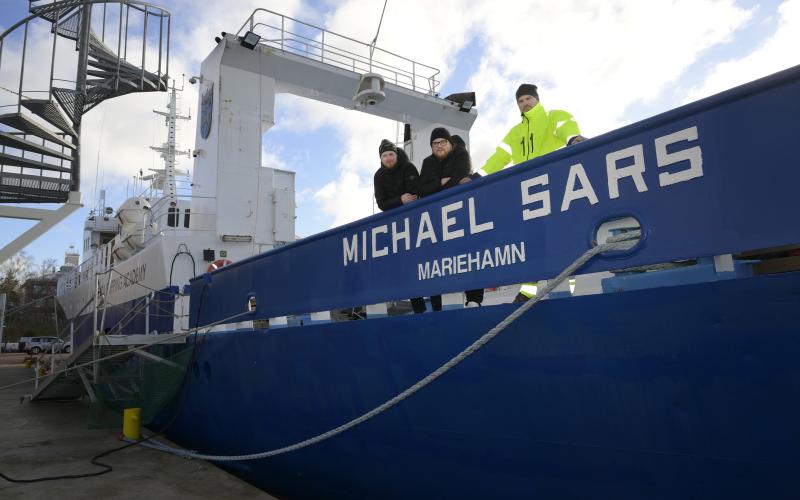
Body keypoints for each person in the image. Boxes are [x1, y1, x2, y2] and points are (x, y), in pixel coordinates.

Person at [473, 84, 588, 301]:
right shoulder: (515, 133)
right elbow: (499, 157)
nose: (525, 104)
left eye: (528, 99)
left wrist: (573, 139)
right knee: (533, 242)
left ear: (536, 99)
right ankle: (528, 292)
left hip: (553, 188)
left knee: (559, 238)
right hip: (527, 194)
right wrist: (478, 176)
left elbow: (566, 128)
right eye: (520, 101)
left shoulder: (554, 117)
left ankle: (566, 290)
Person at [419, 127, 484, 308]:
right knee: (437, 264)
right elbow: (421, 190)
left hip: (462, 216)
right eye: (435, 143)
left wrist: (436, 186)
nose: (439, 146)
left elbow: (459, 180)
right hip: (436, 221)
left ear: (450, 143)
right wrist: (443, 183)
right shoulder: (427, 162)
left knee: (468, 256)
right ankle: (438, 306)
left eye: (442, 142)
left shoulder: (461, 154)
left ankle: (474, 300)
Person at [373, 139, 433, 314]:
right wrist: (400, 199)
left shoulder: (408, 168)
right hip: (396, 228)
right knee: (408, 270)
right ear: (381, 158)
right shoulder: (379, 176)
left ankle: (437, 307)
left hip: (416, 224)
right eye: (384, 155)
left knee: (426, 264)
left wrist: (404, 200)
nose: (388, 158)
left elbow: (414, 194)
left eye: (391, 154)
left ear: (396, 154)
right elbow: (382, 203)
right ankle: (419, 310)